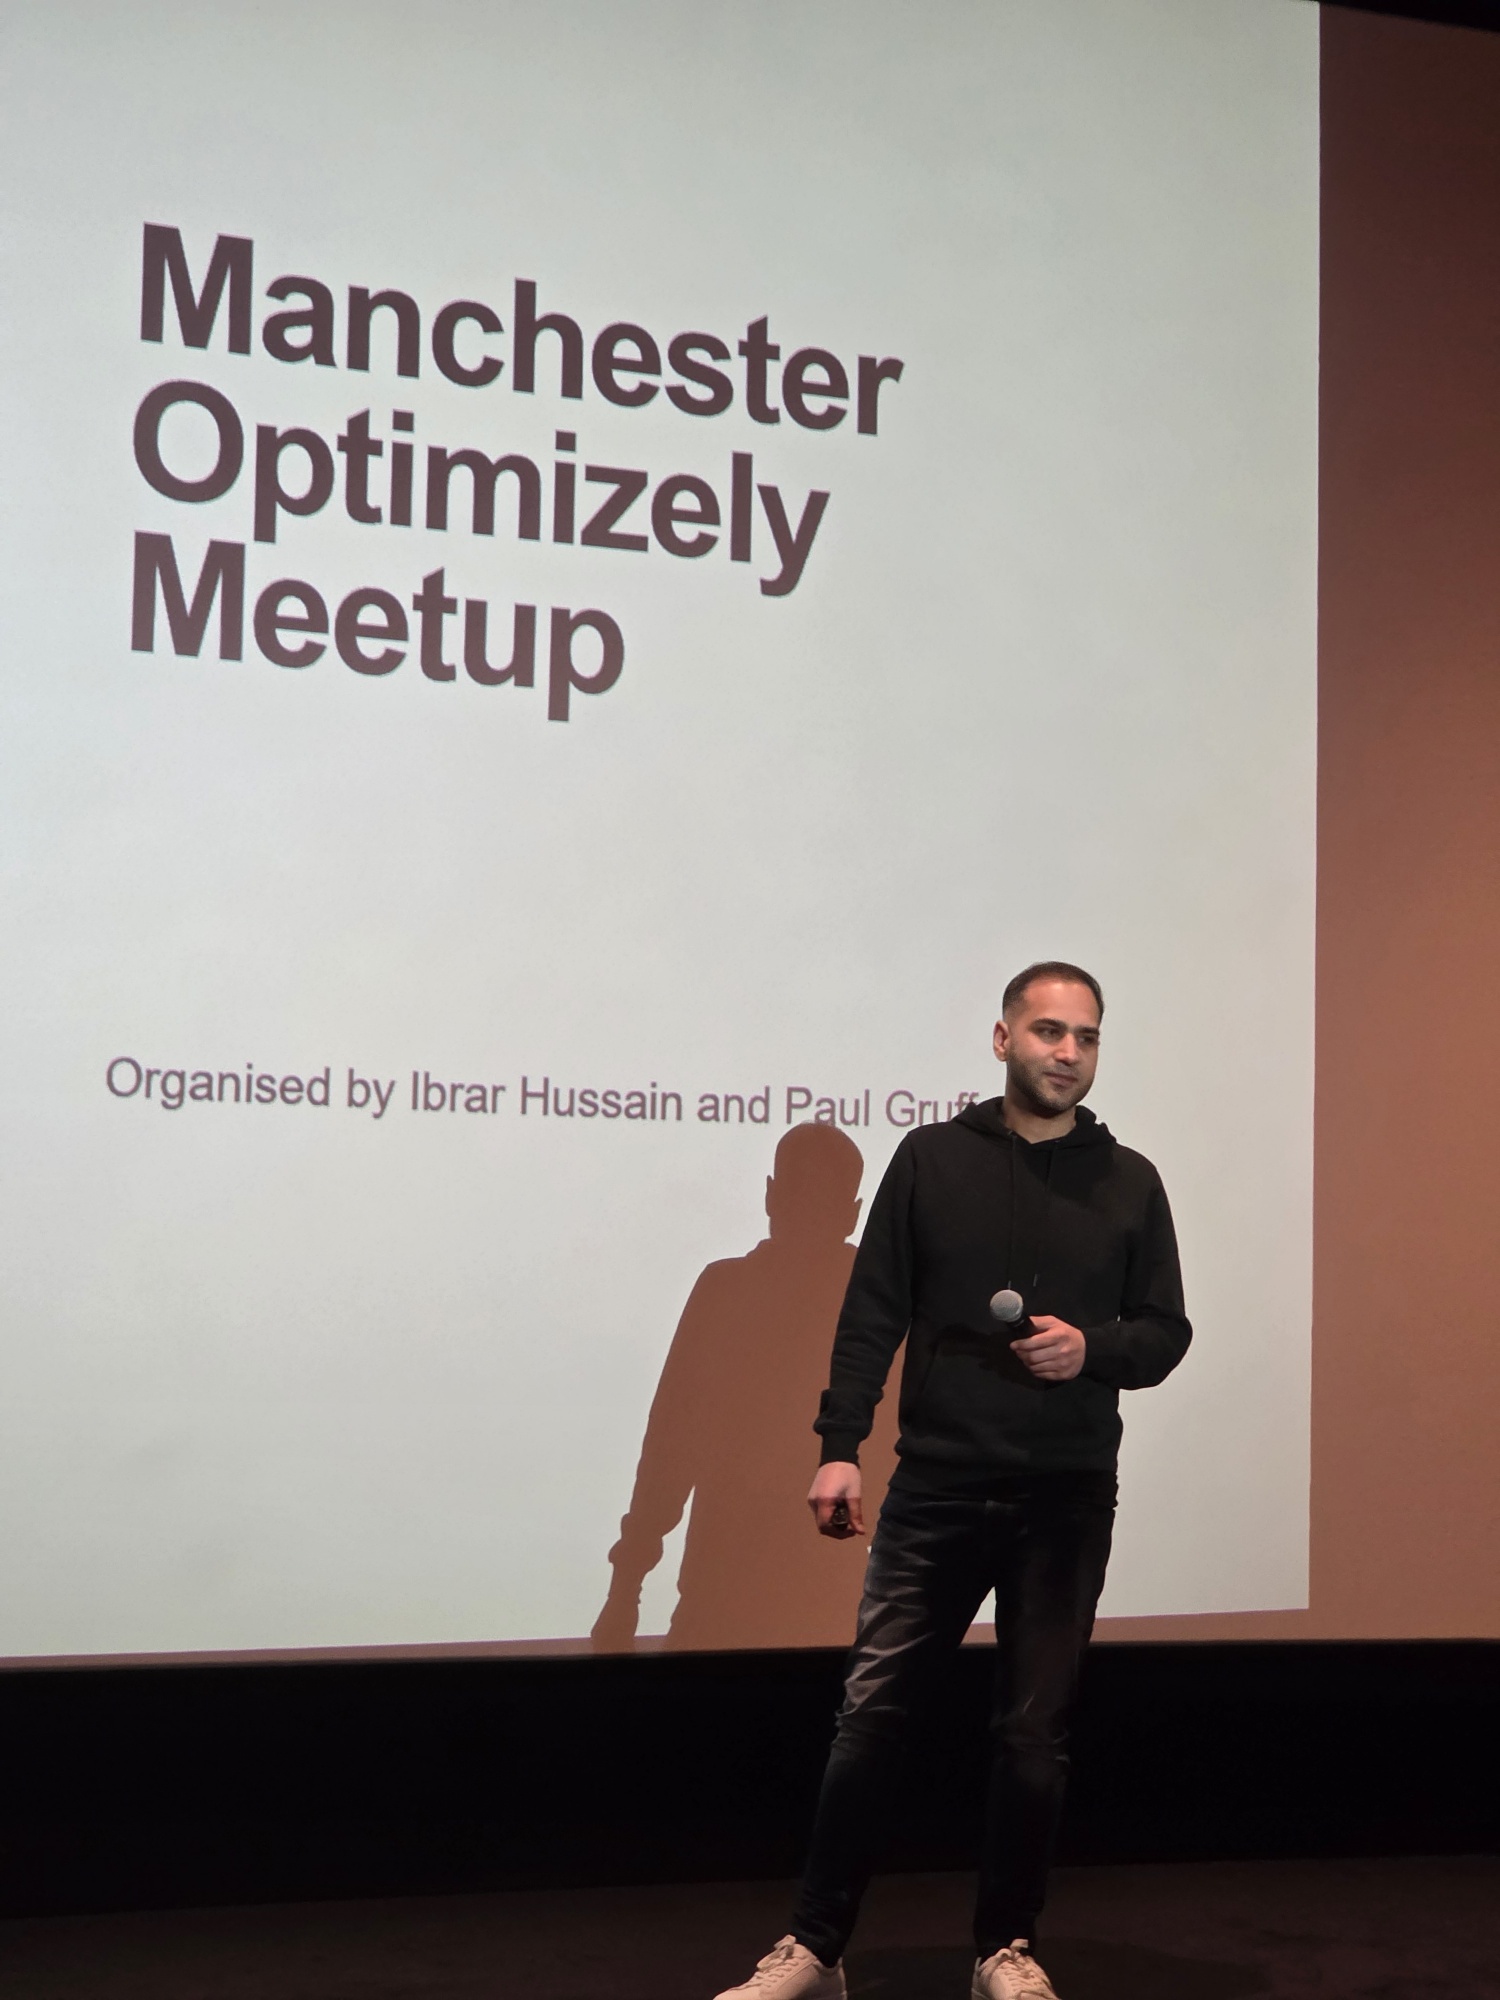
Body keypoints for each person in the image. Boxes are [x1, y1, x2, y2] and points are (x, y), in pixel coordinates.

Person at [713, 963, 1191, 2000]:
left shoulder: (1131, 1180)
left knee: (1033, 1735)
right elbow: (873, 1311)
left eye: (1087, 1037)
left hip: (1065, 1494)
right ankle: (814, 1948)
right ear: (1003, 1038)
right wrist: (840, 1442)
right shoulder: (931, 1159)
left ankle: (1004, 1950)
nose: (1069, 1052)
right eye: (1050, 1031)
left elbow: (1165, 1332)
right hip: (936, 1484)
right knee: (872, 1714)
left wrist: (1094, 1348)